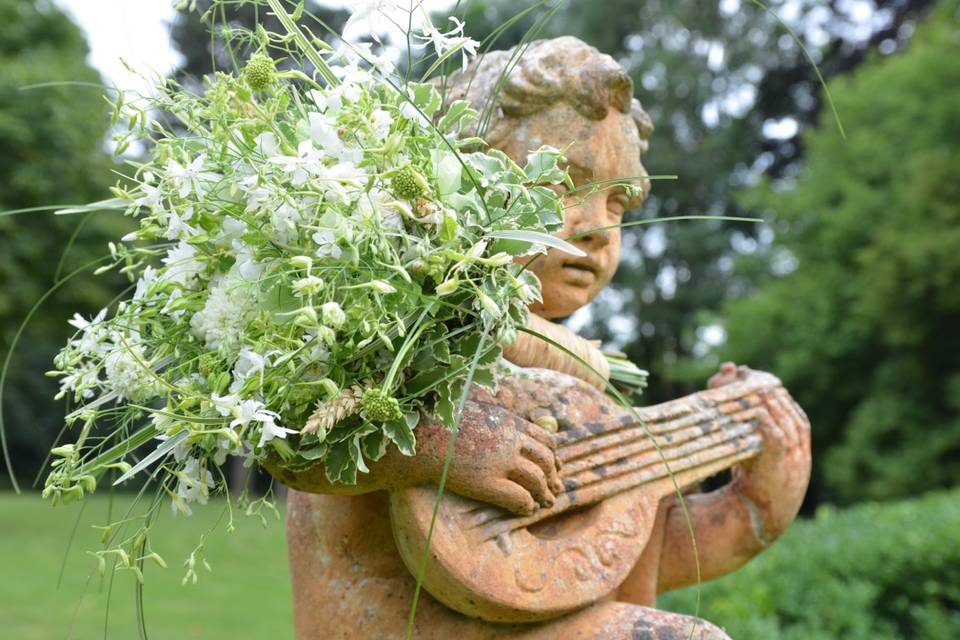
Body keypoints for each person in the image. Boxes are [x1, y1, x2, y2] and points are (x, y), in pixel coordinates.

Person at [274, 36, 810, 640]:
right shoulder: (398, 329)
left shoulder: (580, 388)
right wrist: (455, 445)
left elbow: (595, 557)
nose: (599, 228)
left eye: (618, 201)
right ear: (457, 185)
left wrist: (756, 510)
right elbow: (294, 438)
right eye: (562, 183)